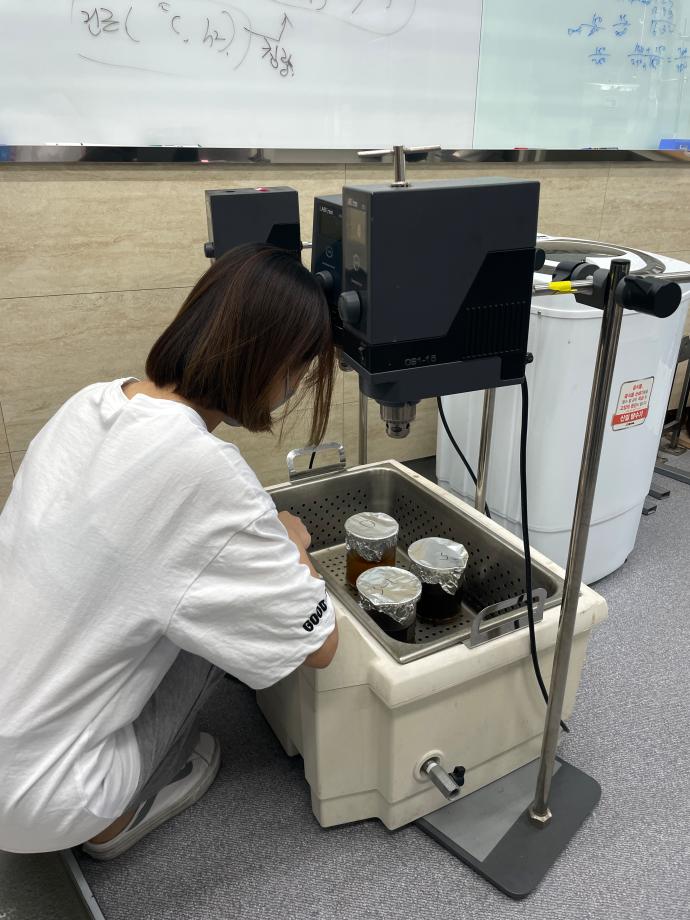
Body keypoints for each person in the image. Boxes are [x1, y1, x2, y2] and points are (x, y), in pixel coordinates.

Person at [0, 243, 339, 860]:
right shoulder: (208, 474)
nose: (295, 387)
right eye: (299, 370)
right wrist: (292, 544)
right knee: (219, 613)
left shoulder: (91, 401)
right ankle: (112, 822)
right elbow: (319, 646)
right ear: (272, 364)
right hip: (39, 797)